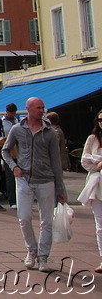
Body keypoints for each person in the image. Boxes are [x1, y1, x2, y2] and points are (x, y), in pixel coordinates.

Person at [1, 97, 67, 273]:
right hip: (24, 179)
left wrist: (60, 188)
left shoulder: (50, 132)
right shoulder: (17, 130)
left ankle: (43, 256)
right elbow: (5, 150)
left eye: (43, 108)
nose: (42, 111)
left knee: (46, 221)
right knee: (24, 218)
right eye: (38, 107)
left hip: (46, 179)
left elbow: (56, 162)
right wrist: (13, 166)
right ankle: (31, 250)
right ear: (28, 109)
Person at [78, 109, 102, 274]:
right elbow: (84, 160)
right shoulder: (92, 139)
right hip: (97, 185)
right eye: (100, 119)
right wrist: (97, 164)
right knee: (100, 225)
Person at [0, 103, 19, 209]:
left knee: (21, 177)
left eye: (14, 113)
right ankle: (12, 200)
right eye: (10, 112)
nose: (12, 115)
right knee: (10, 178)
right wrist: (4, 138)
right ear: (7, 112)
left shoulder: (18, 122)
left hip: (18, 152)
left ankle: (20, 199)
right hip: (7, 152)